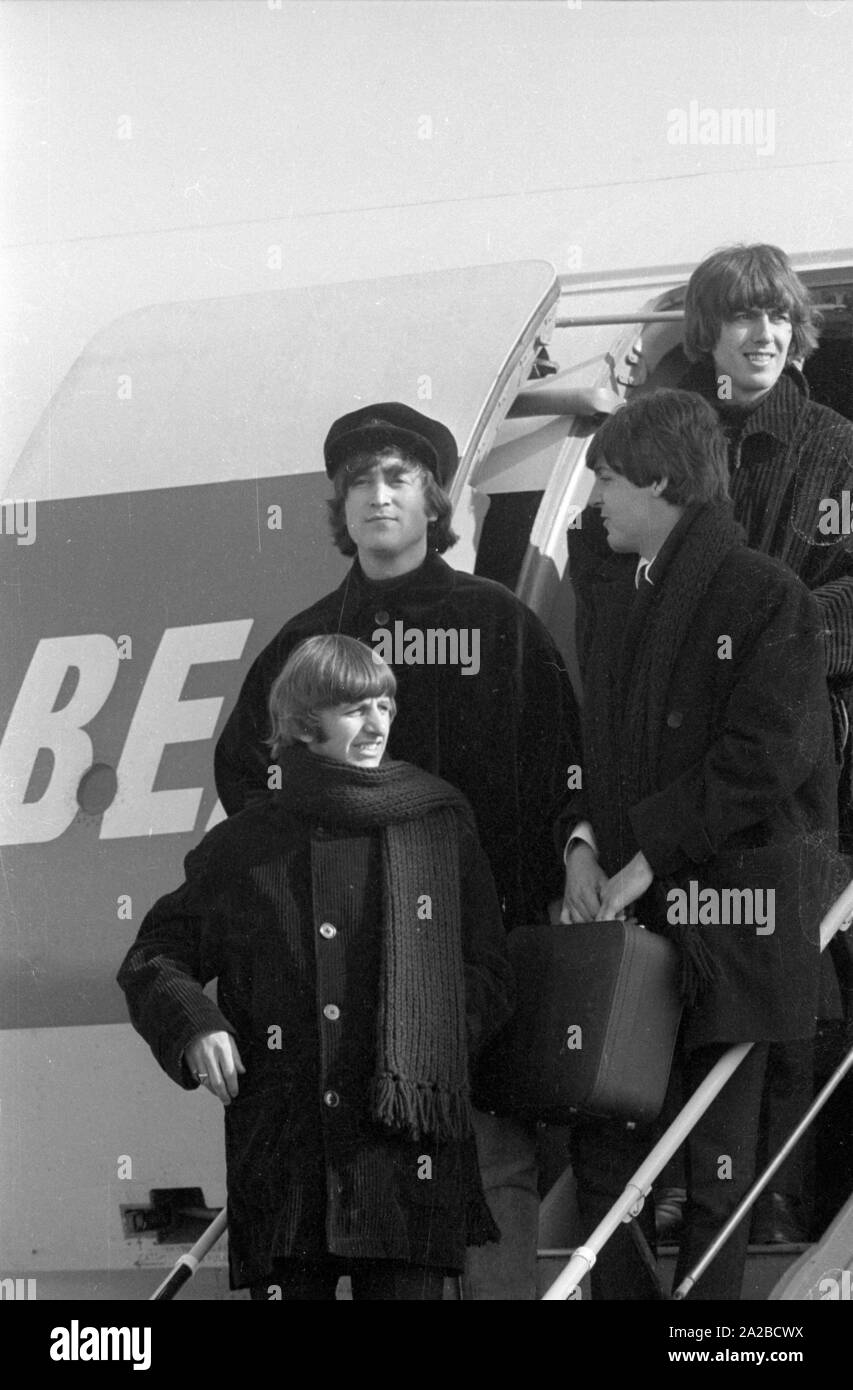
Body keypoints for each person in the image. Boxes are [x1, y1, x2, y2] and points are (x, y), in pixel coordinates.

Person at [214, 402, 582, 1299]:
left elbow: (562, 763)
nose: (377, 499)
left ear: (432, 502)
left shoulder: (499, 624)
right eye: (360, 485)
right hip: (347, 976)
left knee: (493, 1160)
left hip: (477, 948)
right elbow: (246, 780)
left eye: (398, 480)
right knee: (368, 1179)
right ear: (339, 510)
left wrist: (569, 861)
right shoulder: (304, 643)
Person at [117, 635, 513, 1301]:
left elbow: (489, 972)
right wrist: (194, 1026)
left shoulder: (438, 826)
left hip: (402, 1159)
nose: (377, 723)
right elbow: (153, 957)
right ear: (303, 722)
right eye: (356, 708)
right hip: (287, 1164)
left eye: (384, 706)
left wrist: (430, 1036)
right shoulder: (242, 847)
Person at [561, 389, 842, 1300]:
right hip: (637, 930)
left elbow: (767, 755)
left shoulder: (767, 595)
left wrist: (643, 853)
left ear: (656, 478)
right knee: (611, 1164)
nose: (593, 499)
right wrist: (580, 847)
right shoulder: (620, 602)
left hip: (736, 931)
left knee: (721, 1177)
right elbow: (591, 746)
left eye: (605, 477)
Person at [679, 244, 853, 1243]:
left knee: (797, 993)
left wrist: (763, 631)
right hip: (689, 759)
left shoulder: (835, 445)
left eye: (777, 317)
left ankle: (785, 1217)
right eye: (742, 317)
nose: (762, 333)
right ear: (709, 333)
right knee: (706, 988)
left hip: (803, 759)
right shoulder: (679, 442)